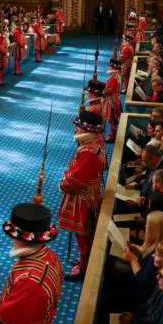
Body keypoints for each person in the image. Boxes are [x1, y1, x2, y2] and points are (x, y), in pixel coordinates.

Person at [0, 202, 62, 324]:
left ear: (21, 239)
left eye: (13, 237)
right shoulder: (50, 255)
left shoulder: (30, 281)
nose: (12, 240)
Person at [59, 111, 108, 281]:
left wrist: (63, 182)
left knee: (83, 233)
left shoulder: (88, 151)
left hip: (83, 198)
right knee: (85, 233)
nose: (75, 130)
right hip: (91, 193)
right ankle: (83, 260)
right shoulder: (95, 143)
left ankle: (84, 266)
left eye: (78, 127)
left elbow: (76, 181)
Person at [103, 58, 123, 142]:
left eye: (110, 67)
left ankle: (113, 135)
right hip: (115, 100)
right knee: (113, 120)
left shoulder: (113, 79)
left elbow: (107, 91)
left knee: (112, 120)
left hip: (111, 102)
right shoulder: (116, 77)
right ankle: (113, 134)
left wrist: (101, 91)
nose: (108, 68)